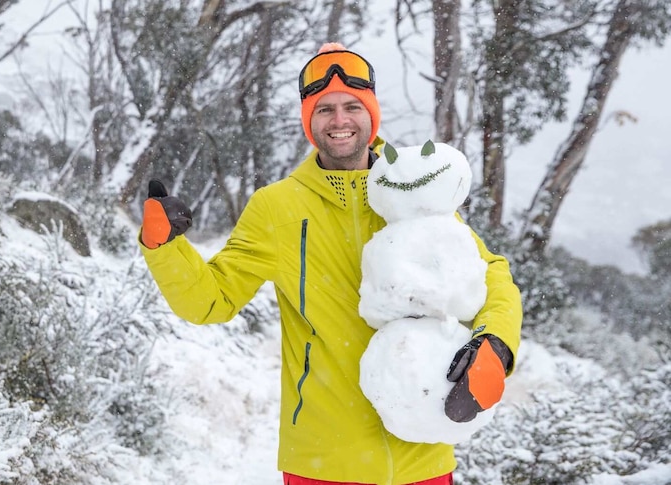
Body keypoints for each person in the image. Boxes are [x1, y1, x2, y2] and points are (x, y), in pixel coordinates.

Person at [138, 42, 522, 485]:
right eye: (324, 109)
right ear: (309, 121)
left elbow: (489, 272)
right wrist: (163, 247)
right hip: (323, 461)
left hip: (423, 453)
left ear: (371, 114)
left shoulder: (411, 192)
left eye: (351, 106)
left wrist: (496, 343)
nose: (339, 121)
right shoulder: (276, 207)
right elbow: (210, 301)